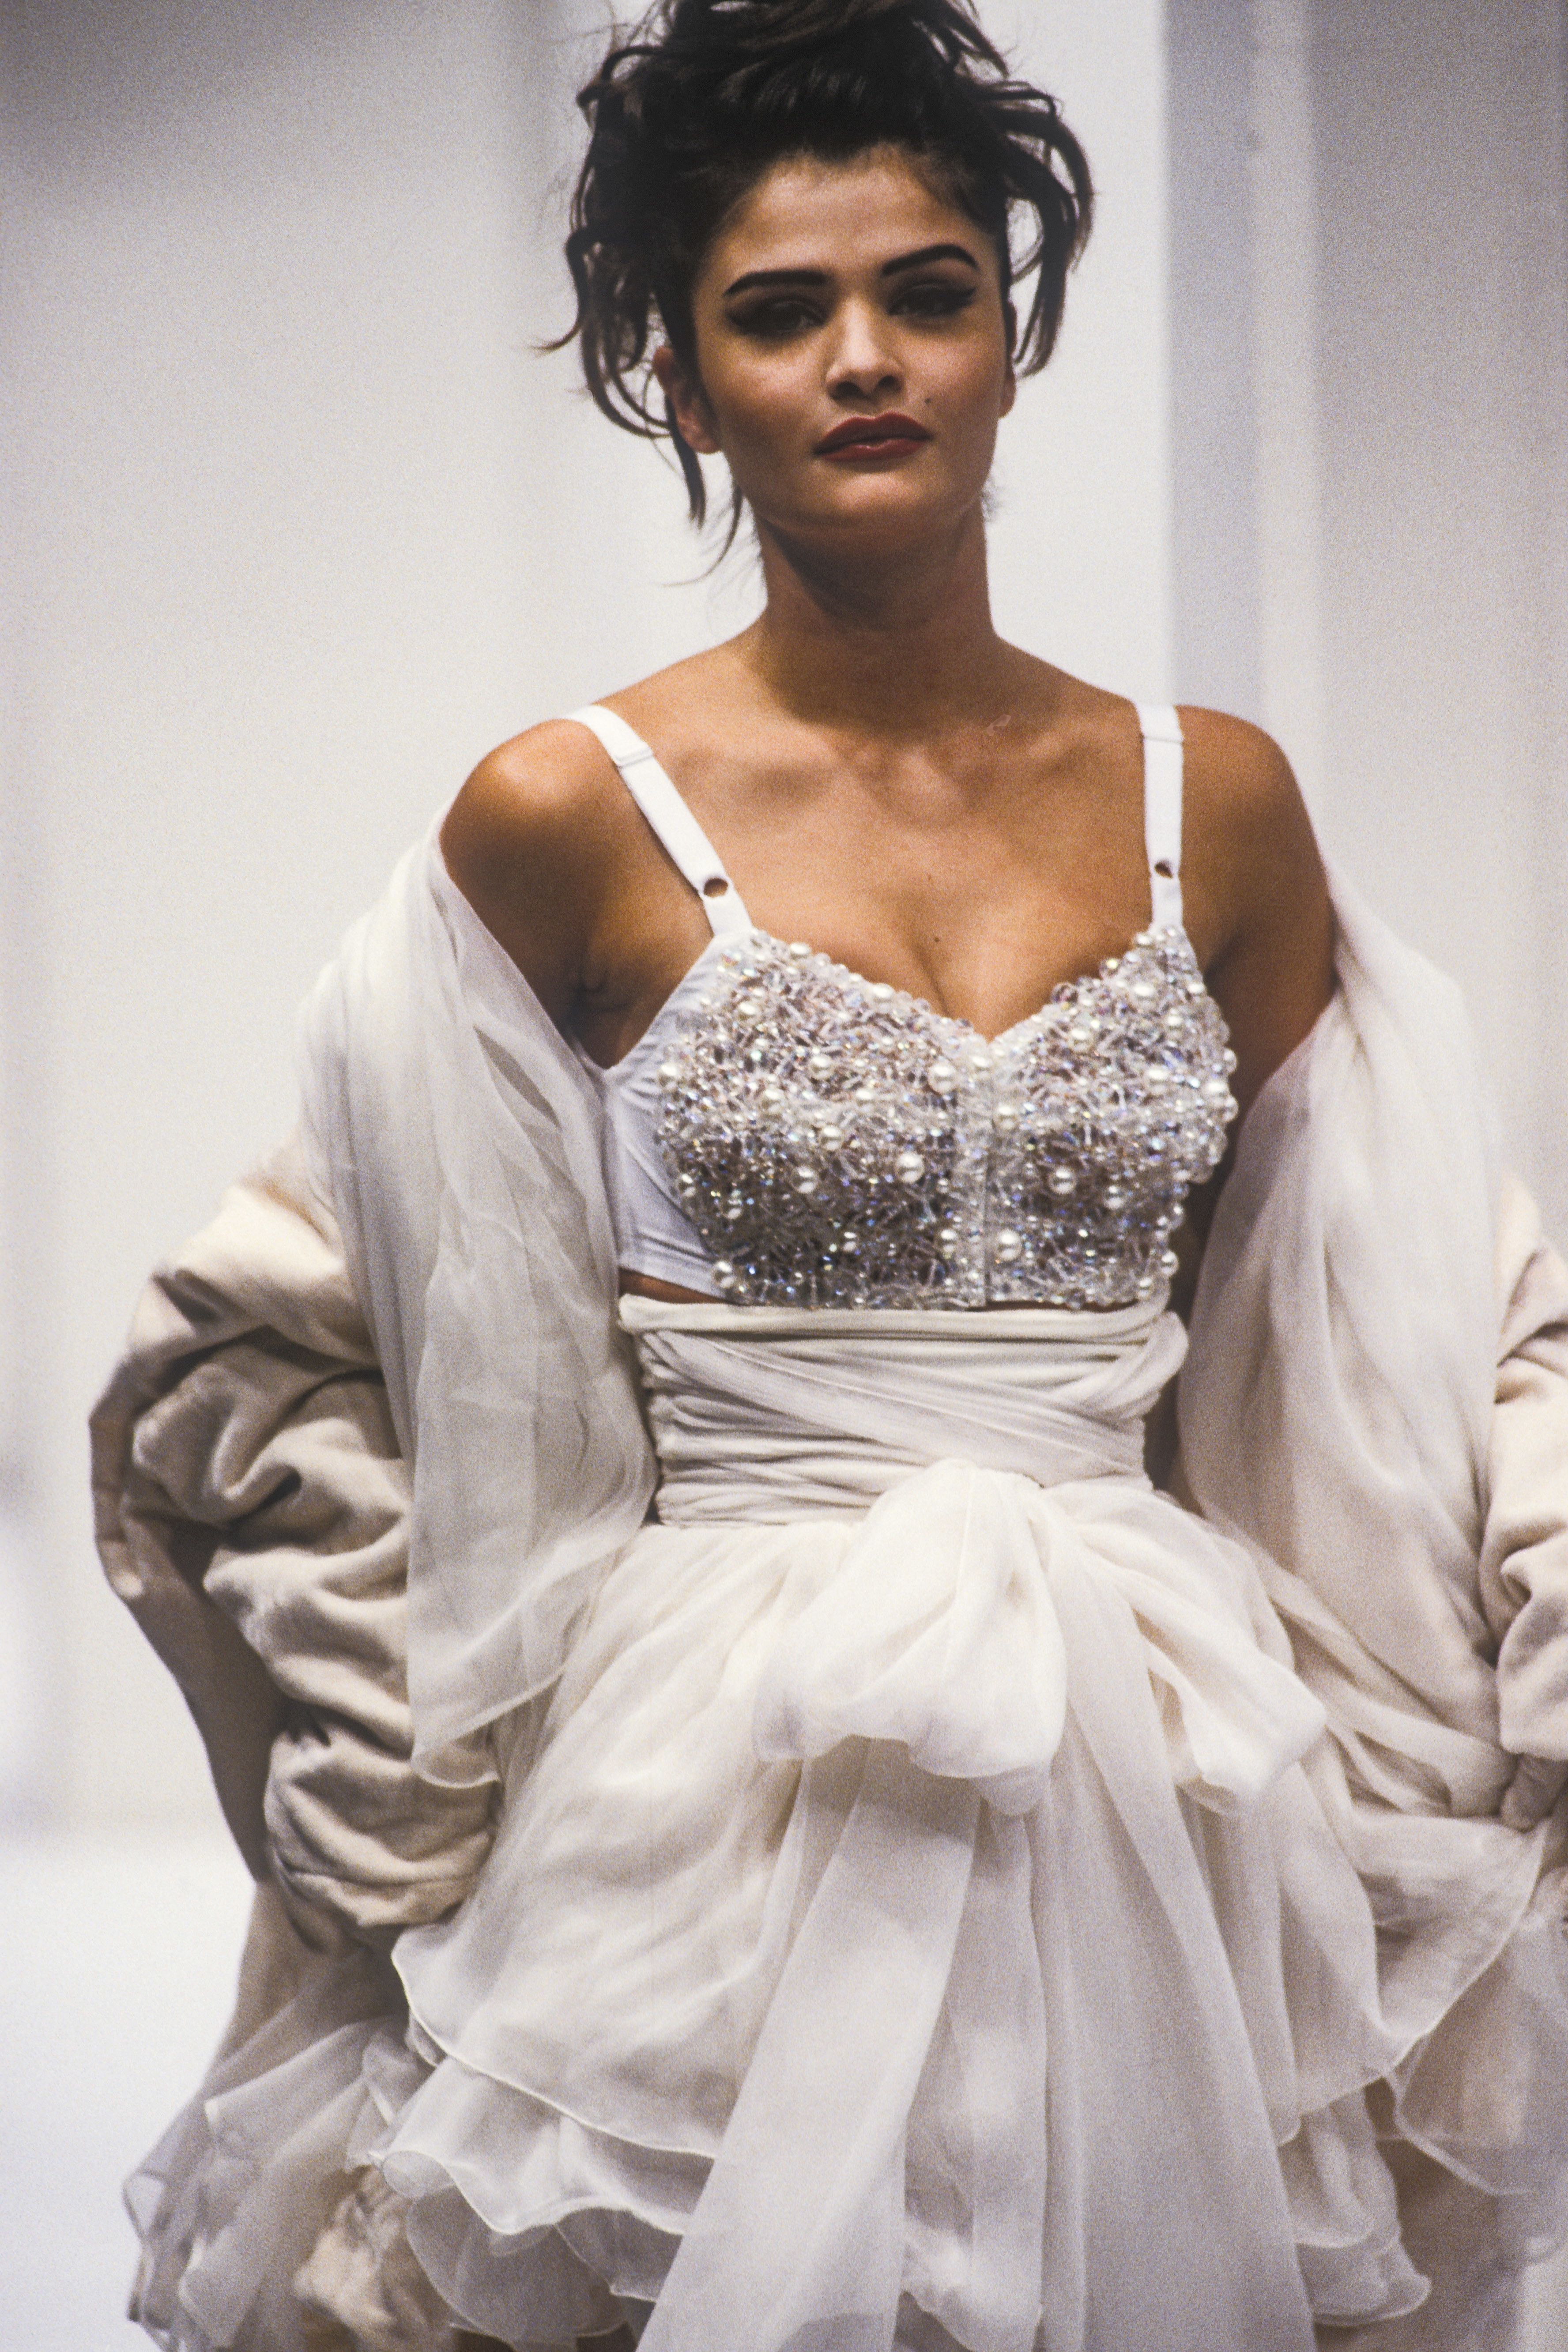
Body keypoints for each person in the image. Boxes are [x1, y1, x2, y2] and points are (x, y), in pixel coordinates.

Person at [91, 4, 1568, 2349]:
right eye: (780, 312)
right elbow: (362, 1330)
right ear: (682, 387)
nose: (865, 357)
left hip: (1160, 1759)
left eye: (929, 292)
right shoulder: (561, 817)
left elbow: (1370, 1315)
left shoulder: (1218, 806)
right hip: (715, 1777)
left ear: (1012, 341)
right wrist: (406, 1796)